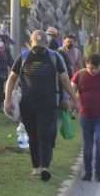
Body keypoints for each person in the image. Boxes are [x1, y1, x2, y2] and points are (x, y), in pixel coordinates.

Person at [5, 31, 77, 182]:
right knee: (33, 135)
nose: (39, 49)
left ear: (46, 44)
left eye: (41, 46)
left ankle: (45, 167)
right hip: (28, 103)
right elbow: (12, 78)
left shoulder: (54, 57)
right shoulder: (24, 57)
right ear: (31, 43)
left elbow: (64, 79)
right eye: (36, 46)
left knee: (45, 134)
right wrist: (7, 99)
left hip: (49, 103)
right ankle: (36, 166)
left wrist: (74, 98)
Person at [71, 54, 100, 182]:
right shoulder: (79, 75)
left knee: (99, 142)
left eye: (96, 68)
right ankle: (88, 172)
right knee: (87, 145)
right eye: (91, 68)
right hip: (85, 114)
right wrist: (72, 106)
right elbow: (72, 92)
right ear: (86, 64)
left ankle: (98, 172)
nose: (93, 71)